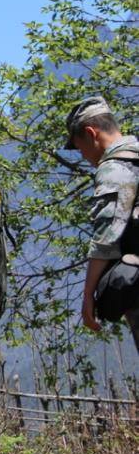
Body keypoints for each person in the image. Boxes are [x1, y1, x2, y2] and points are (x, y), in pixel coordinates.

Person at [64, 95, 139, 347]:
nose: (83, 156)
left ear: (91, 133)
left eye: (80, 147)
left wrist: (87, 296)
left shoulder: (115, 167)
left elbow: (106, 238)